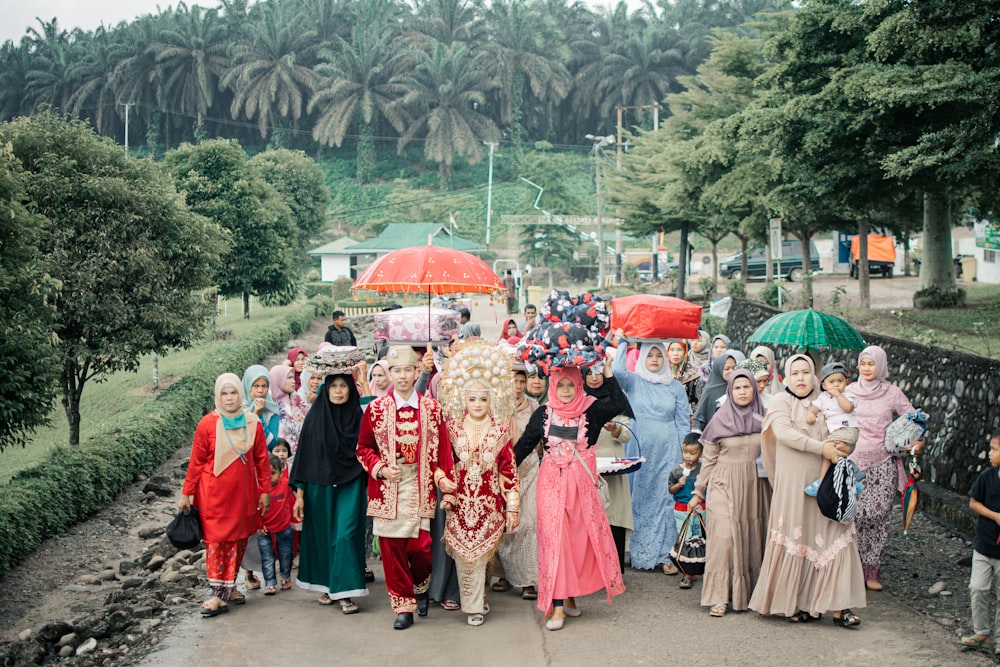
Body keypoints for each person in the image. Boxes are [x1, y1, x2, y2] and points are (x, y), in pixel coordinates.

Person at [748, 355, 865, 627]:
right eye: (795, 372)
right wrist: (820, 448)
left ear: (814, 375)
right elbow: (784, 433)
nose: (801, 378)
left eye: (806, 372)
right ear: (787, 376)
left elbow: (846, 428)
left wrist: (842, 448)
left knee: (836, 534)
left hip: (826, 480)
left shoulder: (828, 399)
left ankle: (840, 607)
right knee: (799, 538)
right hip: (793, 485)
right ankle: (797, 602)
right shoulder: (781, 401)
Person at [513, 364, 628, 631]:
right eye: (560, 385)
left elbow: (619, 403)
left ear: (579, 385)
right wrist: (497, 469)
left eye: (570, 385)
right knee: (556, 544)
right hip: (551, 487)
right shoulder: (543, 413)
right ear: (553, 386)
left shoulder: (592, 409)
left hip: (582, 490)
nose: (565, 391)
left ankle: (571, 597)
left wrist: (608, 372)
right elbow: (522, 448)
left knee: (578, 544)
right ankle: (557, 608)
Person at [355, 345, 456, 630]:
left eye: (407, 370)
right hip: (388, 490)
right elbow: (363, 448)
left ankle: (421, 587)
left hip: (420, 488)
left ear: (416, 372)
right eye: (396, 370)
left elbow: (443, 453)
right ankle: (403, 605)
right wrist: (381, 469)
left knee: (421, 549)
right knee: (392, 551)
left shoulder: (432, 409)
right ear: (390, 374)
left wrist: (445, 483)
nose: (401, 376)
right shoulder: (375, 410)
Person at [439, 340, 520, 626]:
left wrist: (512, 506)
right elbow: (441, 463)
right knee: (464, 559)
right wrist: (445, 484)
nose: (477, 404)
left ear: (491, 400)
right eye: (472, 399)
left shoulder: (500, 430)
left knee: (484, 556)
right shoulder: (451, 428)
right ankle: (472, 605)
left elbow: (508, 470)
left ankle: (479, 599)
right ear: (463, 399)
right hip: (459, 505)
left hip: (489, 506)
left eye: (483, 399)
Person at [180, 374, 271, 617]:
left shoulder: (253, 423)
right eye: (224, 393)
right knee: (216, 542)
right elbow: (197, 462)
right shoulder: (207, 424)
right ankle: (217, 594)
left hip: (243, 495)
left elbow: (262, 461)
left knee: (237, 541)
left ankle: (227, 588)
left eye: (233, 393)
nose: (229, 398)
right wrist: (187, 492)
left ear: (240, 394)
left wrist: (264, 491)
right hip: (212, 496)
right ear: (217, 396)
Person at [291, 357, 371, 615]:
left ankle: (345, 591)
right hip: (319, 487)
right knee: (325, 537)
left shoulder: (358, 420)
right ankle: (329, 586)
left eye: (343, 386)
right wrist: (300, 496)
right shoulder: (315, 420)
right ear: (325, 389)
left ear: (351, 389)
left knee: (346, 535)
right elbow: (303, 458)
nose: (338, 391)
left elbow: (371, 446)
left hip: (352, 483)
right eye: (333, 386)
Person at [690, 370, 769, 617]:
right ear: (729, 391)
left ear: (754, 390)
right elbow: (709, 460)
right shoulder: (720, 420)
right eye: (737, 388)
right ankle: (719, 596)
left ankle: (751, 594)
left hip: (755, 486)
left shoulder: (765, 417)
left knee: (751, 537)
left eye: (747, 387)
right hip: (723, 484)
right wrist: (698, 491)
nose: (743, 392)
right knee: (723, 538)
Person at [847, 345, 926, 592]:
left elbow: (915, 418)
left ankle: (872, 572)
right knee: (853, 516)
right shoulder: (849, 391)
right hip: (853, 462)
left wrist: (918, 441)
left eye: (872, 364)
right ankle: (850, 569)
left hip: (884, 463)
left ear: (880, 365)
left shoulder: (892, 393)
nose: (867, 368)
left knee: (879, 518)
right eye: (863, 363)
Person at [611, 336, 691, 574]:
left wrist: (684, 456)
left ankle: (667, 554)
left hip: (668, 448)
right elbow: (616, 370)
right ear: (643, 357)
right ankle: (640, 552)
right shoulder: (634, 381)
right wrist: (624, 342)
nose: (654, 360)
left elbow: (682, 422)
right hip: (639, 447)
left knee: (666, 499)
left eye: (658, 355)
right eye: (649, 355)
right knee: (640, 497)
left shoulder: (675, 387)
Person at [495, 365, 541, 600]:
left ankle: (529, 580)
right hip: (503, 472)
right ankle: (505, 575)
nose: (518, 387)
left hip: (530, 469)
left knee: (530, 523)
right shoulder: (496, 405)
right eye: (514, 382)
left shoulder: (534, 406)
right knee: (507, 525)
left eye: (521, 382)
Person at [584, 365, 634, 576]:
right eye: (589, 373)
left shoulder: (615, 398)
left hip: (612, 464)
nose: (594, 378)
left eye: (598, 373)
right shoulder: (577, 400)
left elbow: (627, 435)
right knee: (589, 518)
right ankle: (590, 571)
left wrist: (616, 429)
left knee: (613, 515)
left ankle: (613, 571)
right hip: (586, 463)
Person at [958, 430, 1000, 653]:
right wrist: (995, 516)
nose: (990, 454)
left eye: (994, 449)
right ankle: (981, 632)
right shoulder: (987, 477)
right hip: (984, 545)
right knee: (977, 588)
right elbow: (974, 503)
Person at [804, 362, 861, 496]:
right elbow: (815, 407)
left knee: (828, 451)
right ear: (824, 385)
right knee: (835, 457)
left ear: (846, 383)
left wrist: (838, 395)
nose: (836, 385)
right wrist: (811, 413)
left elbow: (848, 408)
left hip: (847, 430)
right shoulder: (823, 397)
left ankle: (821, 482)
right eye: (831, 382)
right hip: (837, 433)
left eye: (840, 381)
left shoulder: (848, 395)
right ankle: (852, 481)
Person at [668, 434, 704, 589]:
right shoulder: (676, 471)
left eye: (693, 453)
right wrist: (678, 485)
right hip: (681, 509)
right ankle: (687, 573)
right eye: (685, 452)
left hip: (700, 509)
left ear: (701, 453)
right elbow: (670, 490)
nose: (688, 456)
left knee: (700, 538)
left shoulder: (703, 470)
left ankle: (701, 567)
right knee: (686, 539)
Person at [258, 454, 294, 595]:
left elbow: (299, 486)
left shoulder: (286, 484)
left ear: (281, 472)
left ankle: (285, 577)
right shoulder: (259, 490)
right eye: (265, 474)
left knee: (286, 555)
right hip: (264, 531)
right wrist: (258, 526)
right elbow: (254, 510)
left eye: (272, 473)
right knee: (267, 558)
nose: (269, 477)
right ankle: (270, 582)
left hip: (284, 529)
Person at [692, 351, 746, 432]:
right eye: (727, 368)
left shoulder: (739, 387)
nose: (731, 371)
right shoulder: (710, 390)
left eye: (734, 368)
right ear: (719, 369)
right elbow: (700, 417)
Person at [242, 365, 280, 451]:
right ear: (247, 385)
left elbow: (271, 444)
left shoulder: (271, 411)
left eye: (264, 386)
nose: (260, 390)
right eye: (256, 386)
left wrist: (258, 416)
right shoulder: (237, 409)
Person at [666, 338, 702, 409]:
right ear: (667, 351)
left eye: (679, 350)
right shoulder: (661, 373)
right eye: (672, 350)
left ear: (685, 351)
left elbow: (697, 403)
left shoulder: (693, 374)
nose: (675, 353)